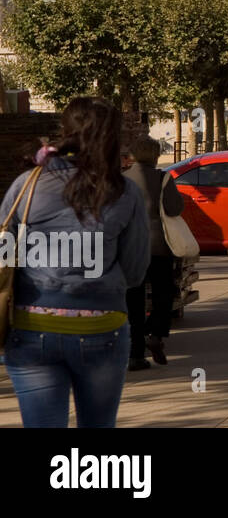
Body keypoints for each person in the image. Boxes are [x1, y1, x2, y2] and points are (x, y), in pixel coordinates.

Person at [0, 98, 149, 427]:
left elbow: (3, 253)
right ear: (112, 137)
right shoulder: (125, 192)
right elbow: (136, 271)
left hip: (31, 328)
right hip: (102, 326)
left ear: (64, 132)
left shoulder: (26, 186)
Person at [123, 135, 185, 371]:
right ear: (156, 155)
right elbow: (175, 208)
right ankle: (156, 332)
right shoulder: (162, 178)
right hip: (159, 245)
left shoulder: (122, 179)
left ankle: (135, 354)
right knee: (163, 292)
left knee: (134, 300)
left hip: (131, 247)